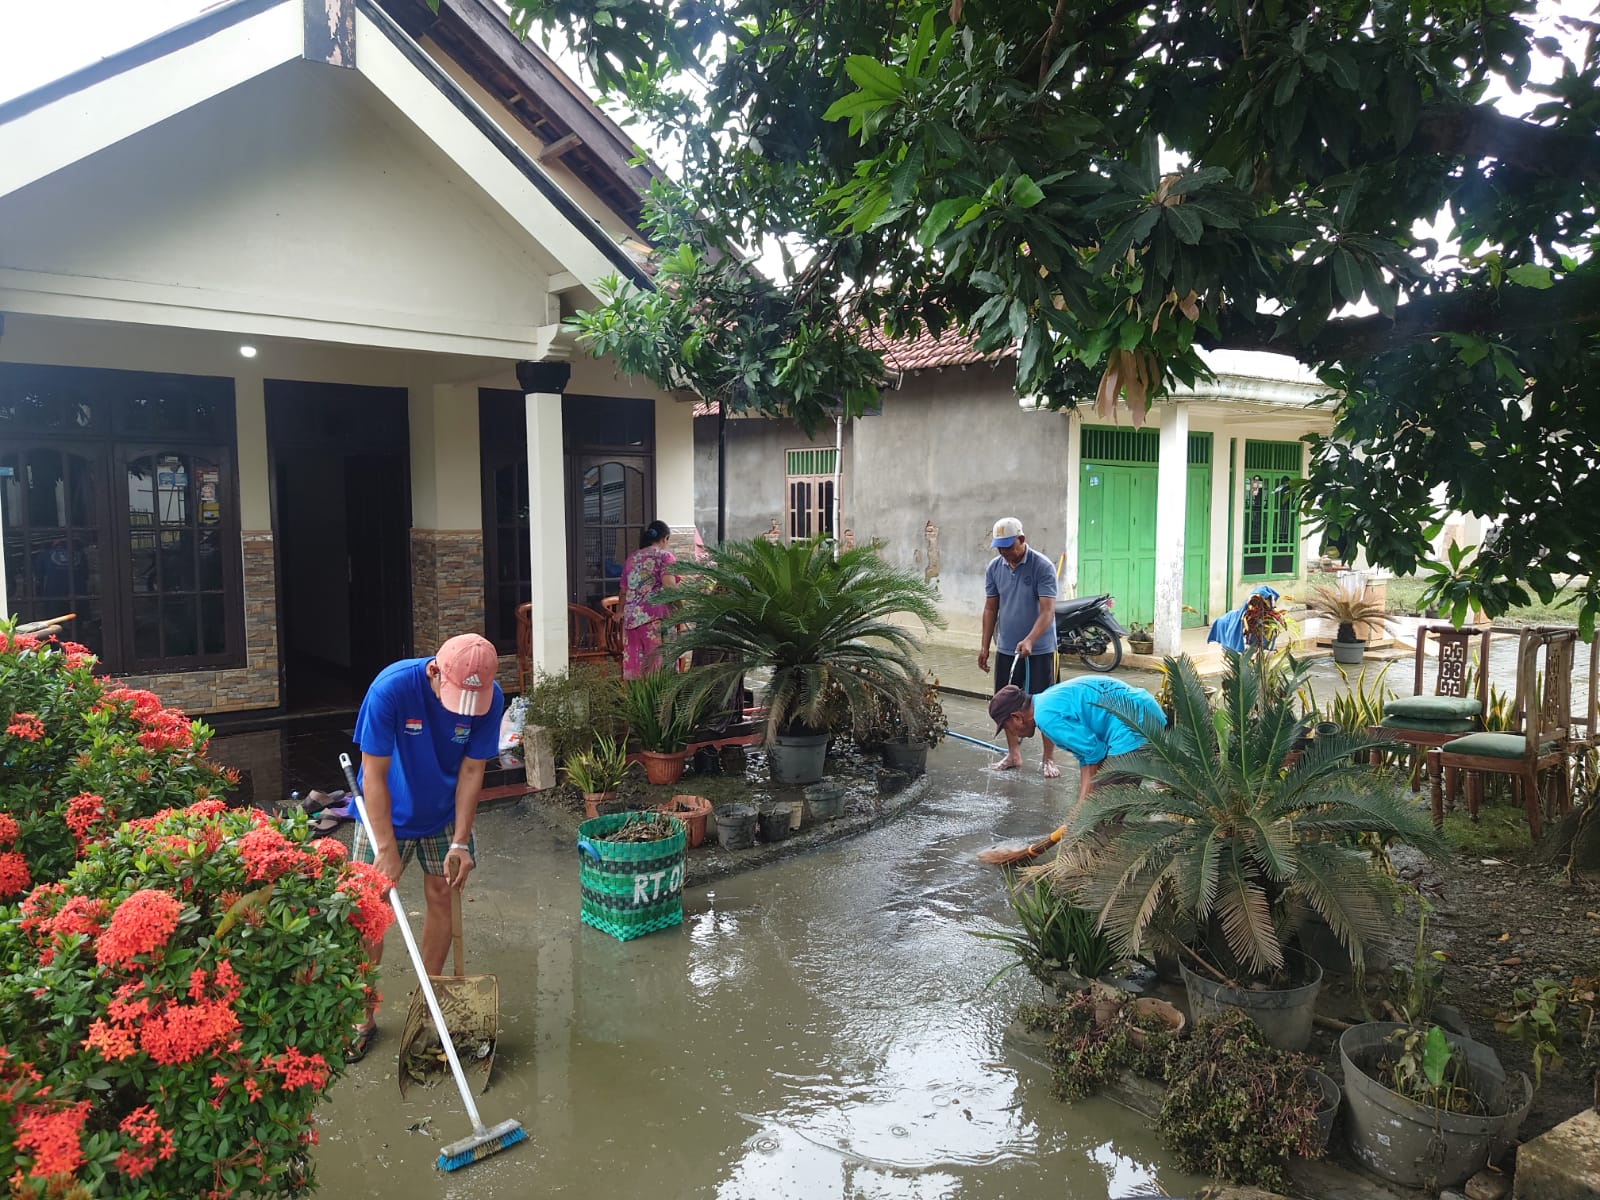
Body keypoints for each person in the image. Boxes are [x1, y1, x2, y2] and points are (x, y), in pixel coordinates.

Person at [346, 633, 505, 1063]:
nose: (465, 711)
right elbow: (373, 776)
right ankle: (361, 1015)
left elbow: (474, 770)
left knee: (443, 894)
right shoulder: (391, 688)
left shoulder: (491, 700)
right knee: (368, 910)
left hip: (444, 812)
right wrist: (385, 847)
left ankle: (428, 1003)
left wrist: (460, 841)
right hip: (386, 813)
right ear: (434, 670)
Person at [989, 675, 1166, 817]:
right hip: (1146, 711)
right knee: (1096, 807)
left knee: (1099, 814)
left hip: (1134, 726)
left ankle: (1091, 857)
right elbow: (1087, 756)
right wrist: (1081, 805)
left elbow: (1094, 754)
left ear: (1016, 717)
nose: (1011, 733)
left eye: (1007, 727)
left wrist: (1081, 811)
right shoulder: (1045, 700)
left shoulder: (1046, 716)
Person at [976, 516, 1060, 776]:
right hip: (1006, 648)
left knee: (1044, 704)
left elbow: (1047, 612)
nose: (1004, 553)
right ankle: (1013, 754)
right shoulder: (994, 567)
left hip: (1041, 649)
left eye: (1008, 547)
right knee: (1006, 705)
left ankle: (1048, 758)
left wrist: (1031, 640)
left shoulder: (1041, 567)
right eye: (999, 548)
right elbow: (991, 608)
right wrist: (984, 646)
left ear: (1021, 540)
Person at [618, 519, 679, 679]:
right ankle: (657, 703)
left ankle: (637, 702)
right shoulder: (665, 557)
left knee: (636, 669)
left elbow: (623, 590)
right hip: (655, 618)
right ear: (665, 538)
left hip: (631, 621)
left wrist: (619, 612)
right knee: (658, 669)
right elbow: (669, 586)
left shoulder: (632, 558)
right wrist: (681, 608)